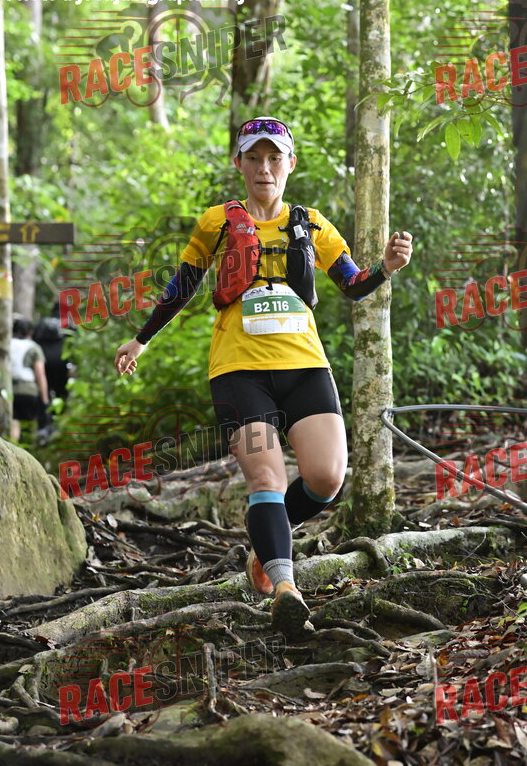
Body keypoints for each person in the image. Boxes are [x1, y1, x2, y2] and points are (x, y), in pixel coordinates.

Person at [114, 117, 413, 637]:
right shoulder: (217, 222)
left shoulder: (312, 225)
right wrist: (142, 338)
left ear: (290, 164)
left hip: (305, 367)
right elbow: (183, 285)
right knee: (266, 480)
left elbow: (352, 284)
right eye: (254, 157)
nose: (264, 168)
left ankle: (266, 545)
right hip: (239, 372)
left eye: (275, 158)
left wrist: (385, 268)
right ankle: (285, 587)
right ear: (239, 164)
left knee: (327, 478)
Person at [10, 318, 50, 443]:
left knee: (14, 421)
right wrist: (44, 399)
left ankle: (13, 445)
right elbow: (40, 375)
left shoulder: (7, 344)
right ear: (30, 333)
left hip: (8, 390)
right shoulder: (34, 347)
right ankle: (29, 448)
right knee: (30, 423)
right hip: (28, 390)